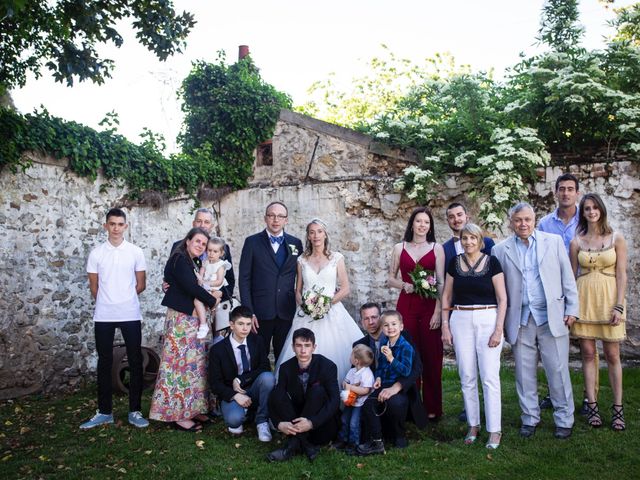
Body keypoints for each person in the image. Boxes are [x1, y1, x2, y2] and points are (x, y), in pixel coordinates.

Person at [492, 202, 578, 440]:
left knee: (558, 370)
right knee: (523, 372)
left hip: (552, 316)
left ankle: (564, 418)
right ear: (511, 222)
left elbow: (567, 278)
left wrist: (572, 308)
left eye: (527, 219)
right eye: (518, 220)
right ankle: (529, 417)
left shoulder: (553, 242)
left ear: (535, 219)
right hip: (521, 319)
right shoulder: (500, 250)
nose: (523, 224)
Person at [80, 208, 149, 430]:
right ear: (106, 226)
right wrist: (110, 302)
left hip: (130, 313)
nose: (116, 228)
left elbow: (141, 284)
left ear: (125, 226)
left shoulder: (135, 252)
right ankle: (104, 412)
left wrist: (123, 298)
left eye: (120, 224)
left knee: (136, 360)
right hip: (104, 315)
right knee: (104, 361)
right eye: (112, 224)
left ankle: (135, 411)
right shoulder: (96, 253)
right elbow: (94, 287)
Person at [441, 223, 507, 449]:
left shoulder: (492, 262)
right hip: (460, 319)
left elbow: (503, 299)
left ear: (480, 240)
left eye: (473, 238)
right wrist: (445, 327)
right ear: (460, 240)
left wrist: (499, 329)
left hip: (488, 319)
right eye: (464, 238)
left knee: (489, 377)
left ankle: (495, 430)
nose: (468, 242)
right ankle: (473, 425)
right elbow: (447, 297)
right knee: (466, 375)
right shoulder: (454, 263)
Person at [275, 218, 363, 382]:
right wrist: (306, 306)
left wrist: (325, 304)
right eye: (312, 232)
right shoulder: (301, 260)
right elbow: (298, 291)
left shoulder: (337, 258)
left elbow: (345, 288)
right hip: (306, 314)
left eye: (319, 232)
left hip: (332, 310)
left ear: (325, 234)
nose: (316, 236)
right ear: (308, 236)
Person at [149, 227, 219, 432]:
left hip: (193, 320)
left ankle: (194, 409)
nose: (200, 245)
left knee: (195, 367)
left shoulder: (194, 261)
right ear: (187, 241)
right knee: (178, 367)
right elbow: (190, 287)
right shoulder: (179, 259)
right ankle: (177, 415)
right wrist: (211, 301)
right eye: (197, 241)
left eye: (204, 244)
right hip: (181, 320)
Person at [569, 193, 627, 431]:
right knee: (588, 354)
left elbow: (622, 274)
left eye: (595, 207)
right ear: (582, 213)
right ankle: (592, 404)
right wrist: (571, 307)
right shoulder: (576, 241)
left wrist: (619, 305)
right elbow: (571, 277)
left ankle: (617, 407)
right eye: (586, 208)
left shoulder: (616, 238)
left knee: (613, 355)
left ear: (601, 210)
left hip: (608, 299)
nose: (591, 211)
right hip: (584, 301)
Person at [388, 207, 445, 420]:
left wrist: (438, 312)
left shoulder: (436, 248)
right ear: (412, 223)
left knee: (431, 357)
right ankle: (412, 407)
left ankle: (433, 408)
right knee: (409, 357)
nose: (422, 225)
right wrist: (404, 284)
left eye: (426, 222)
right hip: (407, 308)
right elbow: (390, 278)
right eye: (419, 221)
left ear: (430, 227)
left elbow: (440, 282)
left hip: (430, 308)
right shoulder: (399, 248)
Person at [442, 202, 495, 422]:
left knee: (488, 369)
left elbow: (495, 276)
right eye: (451, 216)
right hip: (459, 312)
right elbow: (446, 286)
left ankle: (491, 413)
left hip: (485, 311)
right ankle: (470, 411)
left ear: (467, 215)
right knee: (466, 367)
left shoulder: (489, 244)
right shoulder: (444, 249)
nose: (456, 219)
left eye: (459, 214)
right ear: (448, 221)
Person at [538, 173, 587, 411]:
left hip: (584, 287)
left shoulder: (587, 219)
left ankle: (590, 398)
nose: (566, 193)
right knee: (552, 347)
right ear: (555, 192)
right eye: (562, 189)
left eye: (570, 189)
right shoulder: (544, 224)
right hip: (554, 292)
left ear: (577, 193)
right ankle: (553, 393)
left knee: (588, 345)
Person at [354, 302, 426, 449]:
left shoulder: (403, 338)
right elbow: (359, 371)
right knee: (366, 407)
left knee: (395, 402)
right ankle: (376, 439)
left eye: (374, 317)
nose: (371, 322)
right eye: (366, 318)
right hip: (377, 387)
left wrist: (397, 387)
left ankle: (398, 434)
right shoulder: (359, 344)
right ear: (362, 322)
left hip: (398, 388)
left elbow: (416, 367)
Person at [239, 202, 303, 360]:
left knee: (285, 356)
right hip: (260, 312)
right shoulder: (252, 242)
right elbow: (244, 279)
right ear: (265, 218)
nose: (276, 220)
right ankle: (261, 384)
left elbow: (303, 275)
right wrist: (249, 312)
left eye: (280, 216)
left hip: (286, 310)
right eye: (271, 215)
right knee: (258, 355)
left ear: (286, 220)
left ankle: (282, 384)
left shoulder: (296, 243)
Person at [267, 328, 340, 462]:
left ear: (314, 347)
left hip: (321, 426)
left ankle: (291, 447)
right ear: (293, 348)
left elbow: (334, 401)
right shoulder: (285, 368)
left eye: (307, 346)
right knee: (275, 392)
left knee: (318, 391)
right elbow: (276, 398)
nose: (303, 350)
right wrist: (278, 424)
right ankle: (305, 445)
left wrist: (312, 423)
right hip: (296, 422)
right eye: (299, 345)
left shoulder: (328, 366)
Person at [209, 305, 275, 441]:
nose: (245, 328)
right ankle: (245, 411)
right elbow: (215, 383)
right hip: (232, 392)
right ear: (231, 325)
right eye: (240, 324)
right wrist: (234, 395)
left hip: (253, 387)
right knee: (234, 420)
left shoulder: (257, 341)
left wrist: (241, 379)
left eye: (248, 324)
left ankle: (262, 420)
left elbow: (265, 366)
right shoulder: (218, 349)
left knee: (268, 378)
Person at [169, 208, 235, 302]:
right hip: (183, 302)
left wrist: (219, 295)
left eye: (206, 222)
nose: (202, 225)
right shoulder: (178, 246)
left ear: (211, 226)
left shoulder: (222, 247)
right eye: (199, 221)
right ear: (193, 223)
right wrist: (166, 285)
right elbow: (171, 275)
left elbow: (230, 280)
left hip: (213, 301)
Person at [333, 344, 375, 453]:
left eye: (351, 354)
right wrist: (346, 385)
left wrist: (351, 387)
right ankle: (343, 439)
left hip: (360, 404)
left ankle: (354, 443)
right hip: (350, 401)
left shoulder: (366, 374)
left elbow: (366, 390)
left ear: (356, 361)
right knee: (344, 419)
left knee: (354, 423)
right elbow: (345, 382)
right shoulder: (352, 371)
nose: (350, 356)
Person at [193, 237, 232, 339]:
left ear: (221, 253)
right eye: (209, 250)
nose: (211, 253)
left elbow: (219, 281)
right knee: (198, 302)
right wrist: (200, 279)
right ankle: (204, 324)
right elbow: (201, 274)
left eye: (215, 251)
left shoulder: (221, 265)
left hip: (214, 287)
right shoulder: (205, 262)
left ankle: (209, 329)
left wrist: (206, 283)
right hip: (205, 287)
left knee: (209, 308)